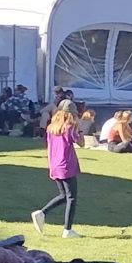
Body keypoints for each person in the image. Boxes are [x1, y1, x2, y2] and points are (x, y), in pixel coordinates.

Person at [34, 99, 84, 238]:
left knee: (64, 195)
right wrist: (79, 129)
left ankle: (42, 213)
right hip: (67, 165)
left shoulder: (51, 128)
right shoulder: (70, 127)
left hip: (55, 164)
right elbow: (82, 143)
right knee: (72, 198)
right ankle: (67, 230)